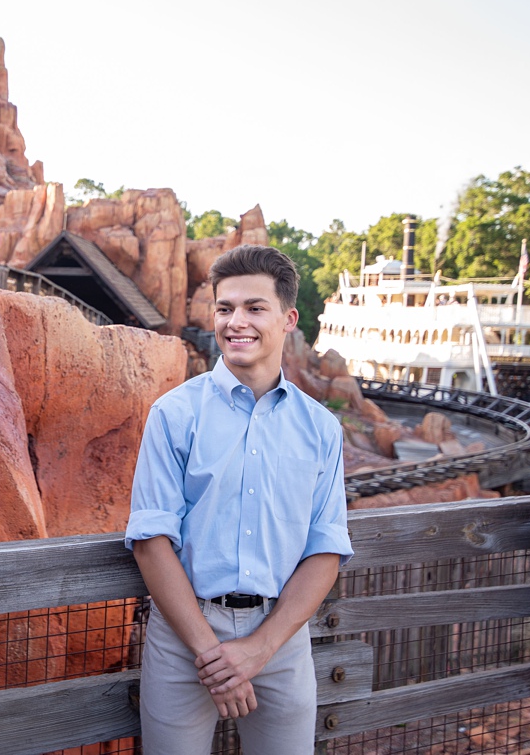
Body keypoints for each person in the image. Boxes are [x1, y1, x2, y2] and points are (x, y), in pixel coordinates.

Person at [125, 244, 353, 754]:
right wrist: (214, 656)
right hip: (185, 638)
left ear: (288, 318)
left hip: (282, 637)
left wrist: (258, 648)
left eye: (254, 308)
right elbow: (150, 541)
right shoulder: (173, 415)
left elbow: (326, 549)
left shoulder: (321, 429)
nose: (236, 322)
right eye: (225, 308)